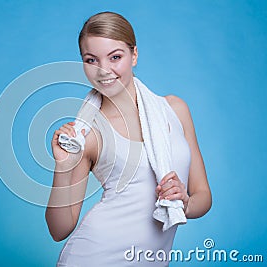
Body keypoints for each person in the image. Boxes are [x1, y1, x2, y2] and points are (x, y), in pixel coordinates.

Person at [45, 11, 211, 266]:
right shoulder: (88, 133)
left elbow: (202, 196)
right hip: (93, 257)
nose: (104, 70)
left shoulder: (175, 110)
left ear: (134, 55)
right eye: (92, 60)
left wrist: (185, 203)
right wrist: (62, 166)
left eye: (115, 57)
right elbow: (60, 229)